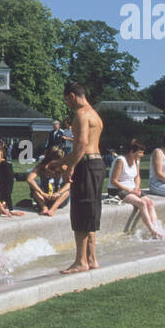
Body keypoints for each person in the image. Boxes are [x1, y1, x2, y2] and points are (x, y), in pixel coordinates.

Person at [47, 82, 105, 274]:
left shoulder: (80, 114)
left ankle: (81, 262)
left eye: (66, 100)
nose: (67, 104)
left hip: (86, 165)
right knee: (91, 210)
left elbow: (81, 145)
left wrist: (68, 167)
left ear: (72, 96)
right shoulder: (94, 114)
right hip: (97, 164)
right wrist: (63, 163)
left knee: (80, 212)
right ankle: (91, 258)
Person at [109, 140, 165, 239]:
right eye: (140, 152)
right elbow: (114, 181)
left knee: (150, 203)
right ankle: (152, 231)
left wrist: (137, 187)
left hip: (132, 188)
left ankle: (158, 228)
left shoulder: (136, 161)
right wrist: (130, 190)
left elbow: (137, 176)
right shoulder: (120, 161)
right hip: (117, 189)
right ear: (131, 152)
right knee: (141, 203)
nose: (142, 155)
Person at [26, 148, 72, 216]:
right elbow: (30, 179)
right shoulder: (41, 166)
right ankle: (44, 207)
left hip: (59, 197)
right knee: (34, 185)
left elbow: (69, 182)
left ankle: (53, 209)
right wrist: (42, 193)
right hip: (44, 196)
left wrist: (58, 193)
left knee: (67, 190)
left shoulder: (63, 167)